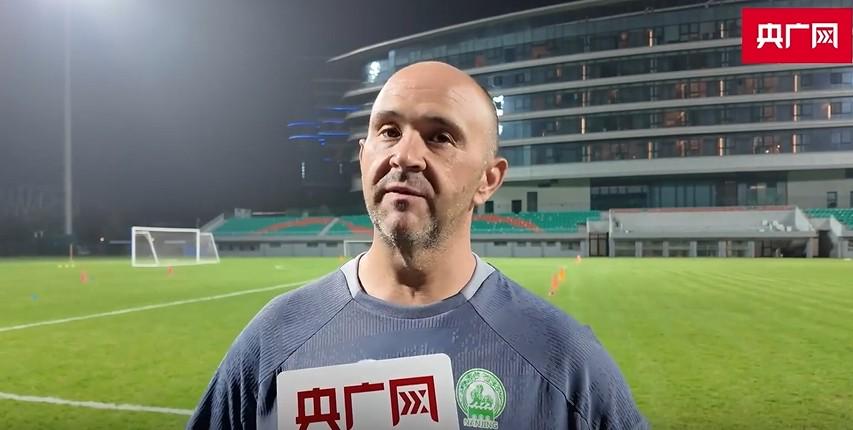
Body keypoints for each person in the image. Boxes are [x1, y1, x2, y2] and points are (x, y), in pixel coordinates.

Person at [187, 61, 647, 430]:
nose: (404, 156)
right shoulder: (273, 338)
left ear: (489, 179)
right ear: (363, 155)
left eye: (439, 137)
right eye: (389, 131)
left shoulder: (563, 358)